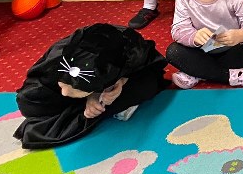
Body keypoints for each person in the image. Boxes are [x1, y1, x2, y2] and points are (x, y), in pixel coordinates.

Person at [14, 23, 167, 149]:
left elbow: (151, 67)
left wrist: (118, 83)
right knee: (31, 105)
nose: (65, 92)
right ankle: (84, 102)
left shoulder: (133, 50)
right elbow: (31, 93)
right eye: (63, 84)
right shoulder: (58, 57)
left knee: (147, 84)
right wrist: (89, 96)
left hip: (110, 75)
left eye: (75, 90)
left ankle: (91, 103)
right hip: (70, 79)